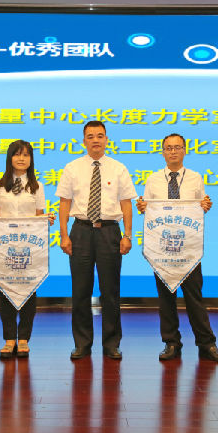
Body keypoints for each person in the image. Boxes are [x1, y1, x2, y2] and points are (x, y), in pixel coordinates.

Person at [136, 133, 218, 363]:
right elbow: (147, 209)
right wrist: (142, 207)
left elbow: (200, 207)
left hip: (188, 248)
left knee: (194, 297)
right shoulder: (153, 179)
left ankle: (207, 344)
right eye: (169, 148)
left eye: (177, 147)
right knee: (166, 298)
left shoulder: (195, 178)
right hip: (162, 248)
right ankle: (171, 343)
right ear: (163, 152)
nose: (173, 151)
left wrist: (205, 205)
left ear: (185, 150)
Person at [56, 121, 137, 360]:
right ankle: (82, 343)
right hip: (80, 231)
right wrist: (64, 235)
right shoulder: (72, 168)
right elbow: (64, 203)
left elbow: (126, 204)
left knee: (110, 290)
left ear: (106, 139)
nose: (95, 140)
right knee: (80, 290)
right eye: (90, 136)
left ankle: (111, 343)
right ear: (84, 141)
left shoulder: (118, 168)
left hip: (109, 232)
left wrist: (127, 235)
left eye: (100, 136)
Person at [0, 140, 55, 359]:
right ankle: (9, 339)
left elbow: (39, 215)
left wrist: (47, 219)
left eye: (26, 155)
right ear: (10, 158)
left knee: (29, 290)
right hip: (5, 247)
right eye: (17, 154)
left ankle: (23, 339)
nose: (21, 159)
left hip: (29, 247)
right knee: (5, 291)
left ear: (31, 159)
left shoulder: (37, 186)